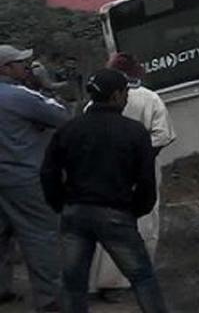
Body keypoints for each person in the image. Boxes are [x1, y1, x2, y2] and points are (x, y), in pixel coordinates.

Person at [41, 69, 169, 313]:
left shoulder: (70, 129)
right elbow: (146, 181)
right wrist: (136, 210)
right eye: (125, 94)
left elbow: (49, 172)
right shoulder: (134, 132)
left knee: (74, 284)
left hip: (75, 213)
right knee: (142, 278)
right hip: (116, 214)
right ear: (117, 95)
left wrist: (60, 204)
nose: (127, 100)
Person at [88, 54, 176, 301]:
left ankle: (101, 283)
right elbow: (164, 135)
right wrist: (140, 153)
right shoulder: (150, 98)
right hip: (142, 170)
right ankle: (126, 283)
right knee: (144, 222)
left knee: (106, 221)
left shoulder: (97, 99)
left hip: (104, 170)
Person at [0, 45, 71, 312]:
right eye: (20, 63)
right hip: (24, 178)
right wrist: (45, 86)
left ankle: (3, 291)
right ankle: (50, 299)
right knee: (40, 236)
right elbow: (63, 117)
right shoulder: (21, 96)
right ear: (5, 68)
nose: (26, 67)